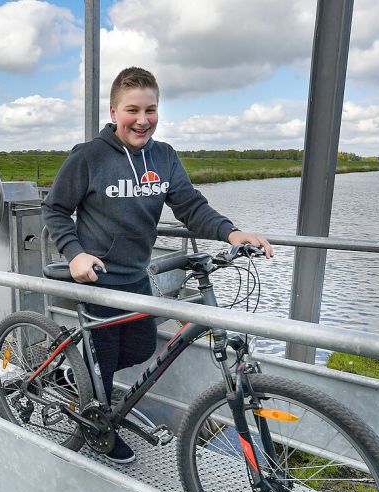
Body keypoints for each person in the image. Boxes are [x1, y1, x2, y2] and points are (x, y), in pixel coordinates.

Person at [42, 67, 273, 464]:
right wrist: (75, 252)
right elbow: (55, 210)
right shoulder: (89, 156)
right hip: (98, 279)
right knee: (108, 361)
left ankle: (77, 374)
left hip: (137, 277)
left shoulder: (163, 156)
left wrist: (232, 234)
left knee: (143, 347)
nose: (143, 119)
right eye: (133, 110)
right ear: (114, 112)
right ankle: (97, 425)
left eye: (151, 110)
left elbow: (190, 206)